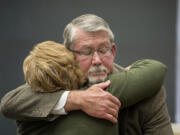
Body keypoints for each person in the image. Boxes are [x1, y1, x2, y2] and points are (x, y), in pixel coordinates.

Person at [0, 14, 173, 134]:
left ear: (113, 51)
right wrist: (76, 99)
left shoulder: (146, 86)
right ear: (69, 54)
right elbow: (11, 102)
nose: (97, 60)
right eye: (86, 51)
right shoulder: (56, 80)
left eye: (103, 50)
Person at [17, 40, 166, 135]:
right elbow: (156, 69)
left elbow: (8, 103)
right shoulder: (101, 92)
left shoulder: (26, 111)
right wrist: (124, 72)